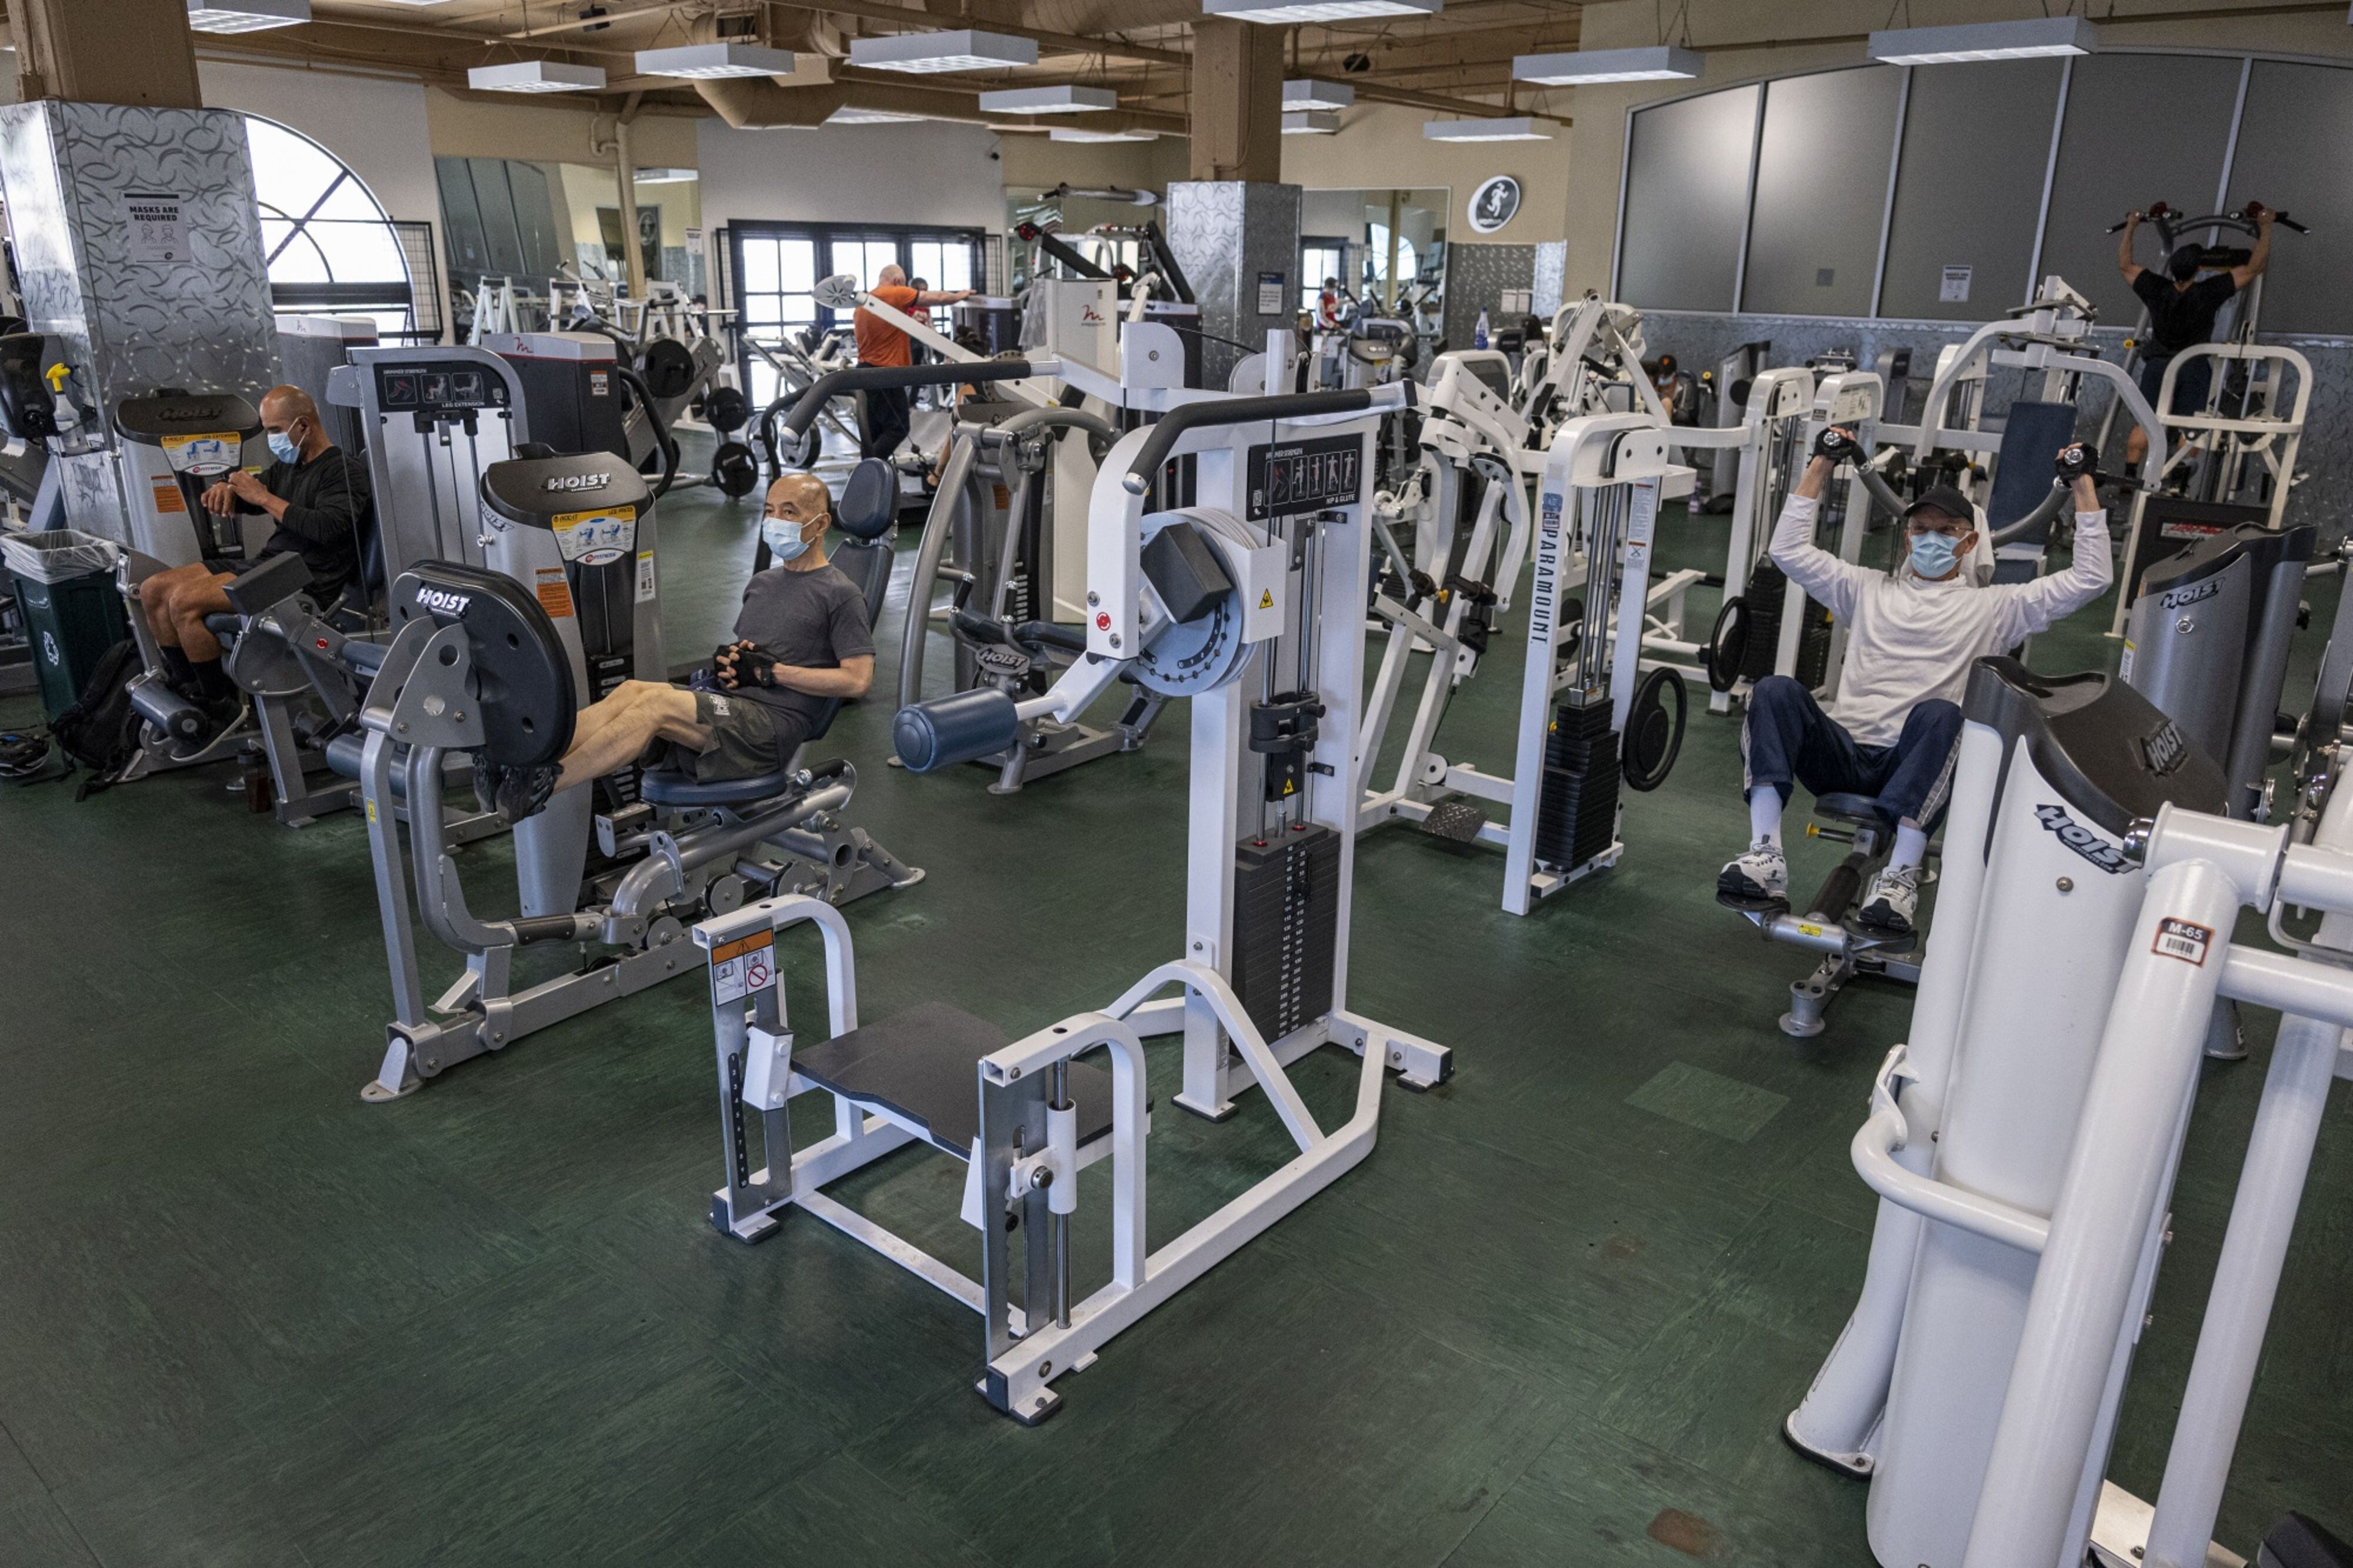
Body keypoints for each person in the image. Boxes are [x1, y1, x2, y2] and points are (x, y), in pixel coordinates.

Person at [1718, 429, 2111, 937]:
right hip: (1844, 755)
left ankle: (1898, 878)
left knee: (1944, 714)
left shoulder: (2000, 607)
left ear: (1970, 542)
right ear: (1907, 538)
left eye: (1946, 531)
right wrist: (1821, 463)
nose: (1931, 539)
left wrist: (2082, 485)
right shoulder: (1865, 589)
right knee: (1773, 690)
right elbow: (1788, 550)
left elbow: (2092, 577)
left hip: (1913, 761)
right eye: (1920, 529)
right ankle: (1766, 855)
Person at [489, 471, 875, 821]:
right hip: (733, 711)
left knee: (654, 707)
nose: (774, 522)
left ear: (820, 523)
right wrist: (732, 663)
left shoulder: (840, 594)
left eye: (788, 512)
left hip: (771, 729)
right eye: (770, 510)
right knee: (631, 691)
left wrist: (773, 673)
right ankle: (524, 761)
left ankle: (538, 788)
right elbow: (750, 654)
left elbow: (858, 682)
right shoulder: (764, 583)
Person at [138, 385, 372, 726]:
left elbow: (327, 528)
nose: (272, 438)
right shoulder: (289, 466)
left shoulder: (343, 471)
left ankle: (221, 706)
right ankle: (187, 689)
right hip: (269, 563)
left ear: (304, 425)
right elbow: (254, 494)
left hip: (303, 576)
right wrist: (229, 490)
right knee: (154, 589)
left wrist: (263, 498)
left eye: (276, 430)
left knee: (184, 603)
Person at [2117, 205, 2272, 466]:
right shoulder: (2208, 291)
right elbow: (2254, 268)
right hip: (2192, 366)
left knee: (2146, 421)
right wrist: (2266, 227)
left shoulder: (2155, 287)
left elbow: (2125, 265)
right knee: (2190, 426)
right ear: (2199, 268)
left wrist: (2132, 225)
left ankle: (2129, 477)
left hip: (2157, 367)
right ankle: (2179, 481)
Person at [852, 264, 977, 461]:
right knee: (898, 428)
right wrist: (959, 295)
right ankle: (868, 470)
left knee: (873, 434)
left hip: (864, 373)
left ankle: (872, 481)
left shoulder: (863, 304)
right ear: (898, 282)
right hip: (886, 374)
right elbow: (934, 298)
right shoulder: (893, 294)